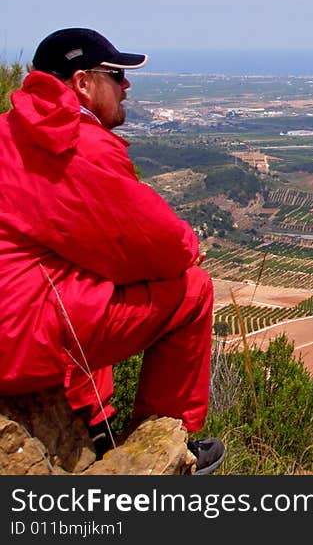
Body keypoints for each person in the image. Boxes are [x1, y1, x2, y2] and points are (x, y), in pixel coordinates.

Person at [0, 27, 224, 474]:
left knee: (87, 284)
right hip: (20, 331)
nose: (126, 85)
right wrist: (189, 246)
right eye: (116, 74)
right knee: (193, 291)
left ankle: (97, 426)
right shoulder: (73, 142)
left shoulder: (12, 130)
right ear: (83, 82)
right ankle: (167, 440)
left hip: (20, 311)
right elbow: (157, 243)